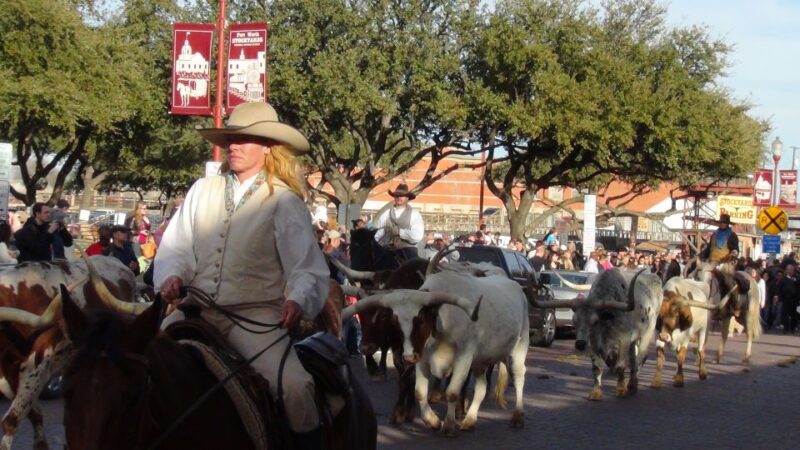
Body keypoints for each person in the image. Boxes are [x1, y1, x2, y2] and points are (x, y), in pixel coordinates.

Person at [154, 101, 329, 448]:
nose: (233, 145)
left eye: (245, 140)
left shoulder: (284, 201)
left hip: (254, 317)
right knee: (140, 365)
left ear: (268, 148)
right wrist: (172, 275)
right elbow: (177, 246)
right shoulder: (202, 190)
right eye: (231, 138)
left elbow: (306, 267)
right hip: (196, 311)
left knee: (295, 387)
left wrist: (296, 299)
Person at [373, 183, 424, 261]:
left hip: (408, 251)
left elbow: (417, 236)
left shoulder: (414, 214)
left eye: (402, 195)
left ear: (407, 198)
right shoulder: (386, 214)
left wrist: (399, 232)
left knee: (414, 268)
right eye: (396, 195)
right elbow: (377, 234)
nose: (399, 197)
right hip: (388, 250)